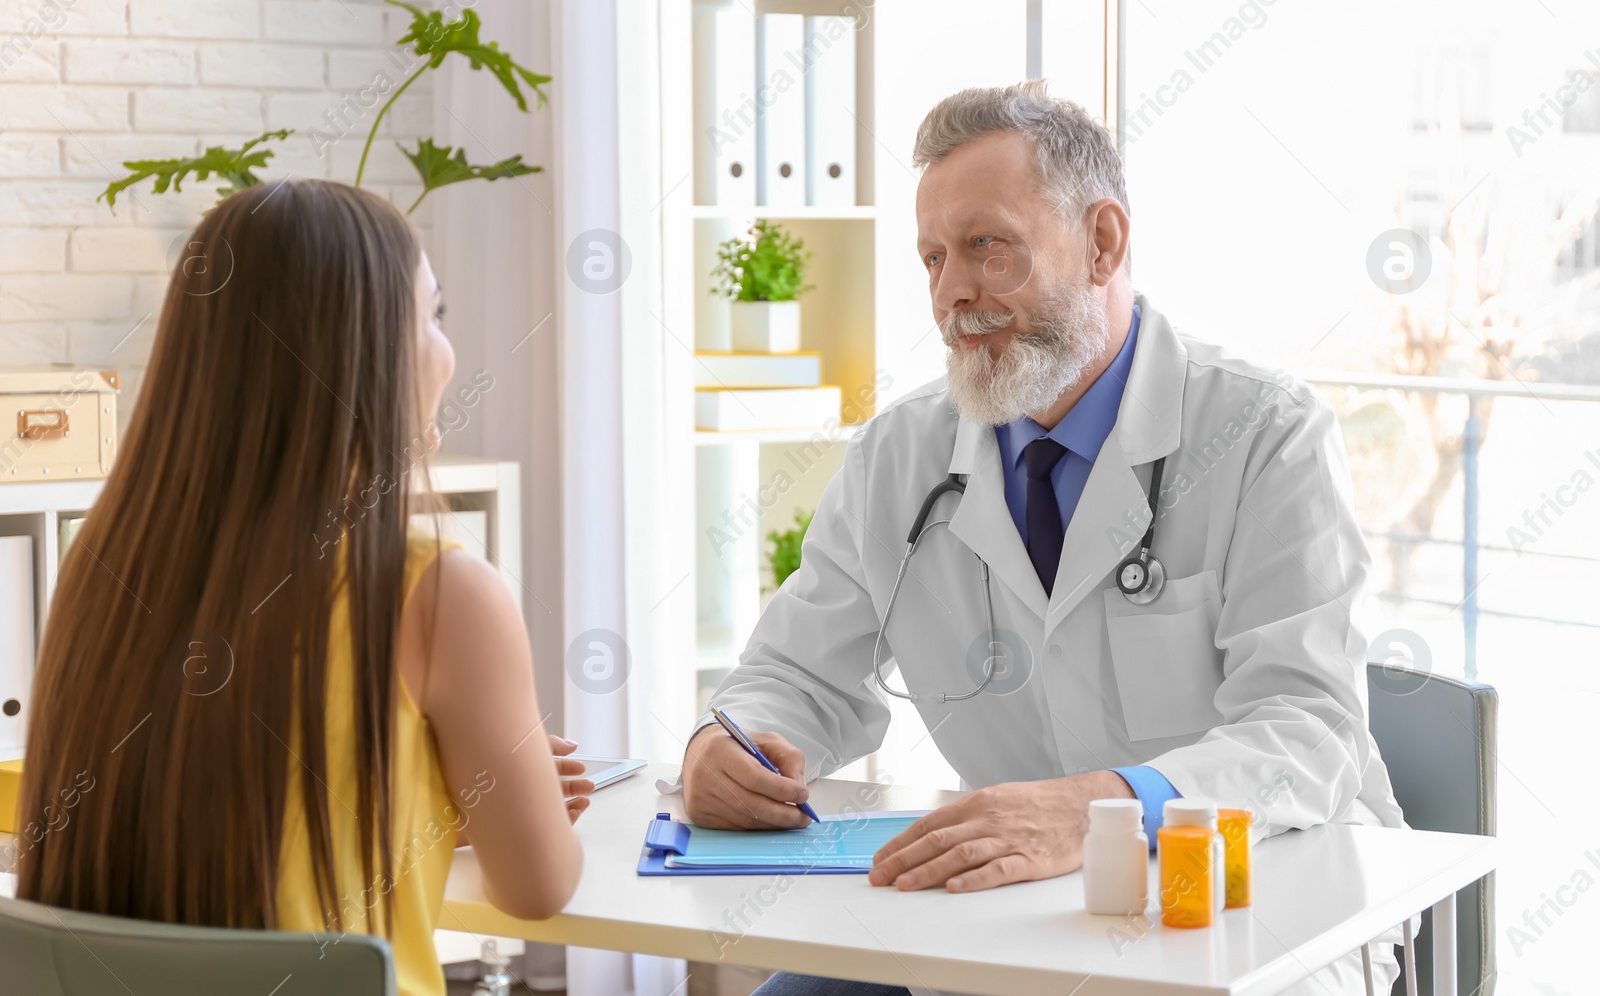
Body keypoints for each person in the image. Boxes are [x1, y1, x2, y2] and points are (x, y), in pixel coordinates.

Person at [681, 81, 1406, 996]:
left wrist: (1099, 809)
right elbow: (796, 672)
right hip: (1015, 910)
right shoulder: (902, 453)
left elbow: (1307, 729)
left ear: (1103, 241)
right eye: (933, 258)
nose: (952, 294)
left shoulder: (1265, 433)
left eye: (987, 247)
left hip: (1258, 896)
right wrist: (733, 744)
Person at [16, 180, 587, 996]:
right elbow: (537, 889)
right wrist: (515, 804)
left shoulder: (106, 560)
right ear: (367, 348)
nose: (446, 350)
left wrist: (431, 801)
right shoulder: (439, 587)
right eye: (433, 315)